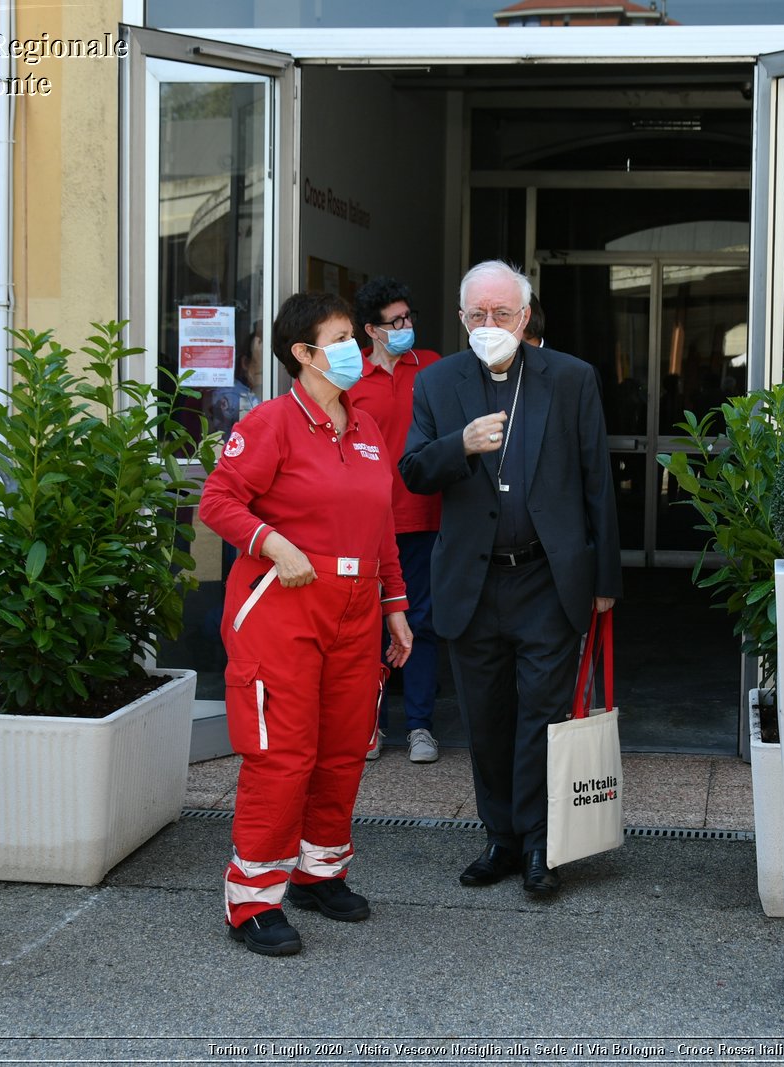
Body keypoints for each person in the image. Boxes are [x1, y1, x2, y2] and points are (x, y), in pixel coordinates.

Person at [198, 291, 413, 957]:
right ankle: (253, 898)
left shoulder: (366, 429)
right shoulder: (270, 425)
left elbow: (382, 525)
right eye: (344, 336)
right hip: (284, 605)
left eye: (355, 335)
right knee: (284, 753)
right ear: (304, 353)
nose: (357, 347)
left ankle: (320, 871)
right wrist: (273, 542)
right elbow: (217, 500)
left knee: (345, 745)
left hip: (357, 608)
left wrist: (395, 606)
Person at [399, 260, 621, 897]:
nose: (488, 325)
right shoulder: (440, 384)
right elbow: (413, 469)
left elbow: (596, 483)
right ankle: (498, 837)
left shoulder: (571, 379)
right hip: (473, 582)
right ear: (462, 318)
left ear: (524, 318)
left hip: (548, 579)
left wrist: (604, 577)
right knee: (486, 718)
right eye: (477, 315)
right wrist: (459, 446)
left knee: (542, 719)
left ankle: (539, 844)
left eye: (501, 314)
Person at [346, 277, 443, 764]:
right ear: (372, 330)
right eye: (396, 321)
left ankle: (421, 726)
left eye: (409, 317)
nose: (407, 326)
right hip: (369, 525)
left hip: (425, 517)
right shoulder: (352, 380)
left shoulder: (432, 366)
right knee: (371, 627)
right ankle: (371, 725)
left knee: (421, 623)